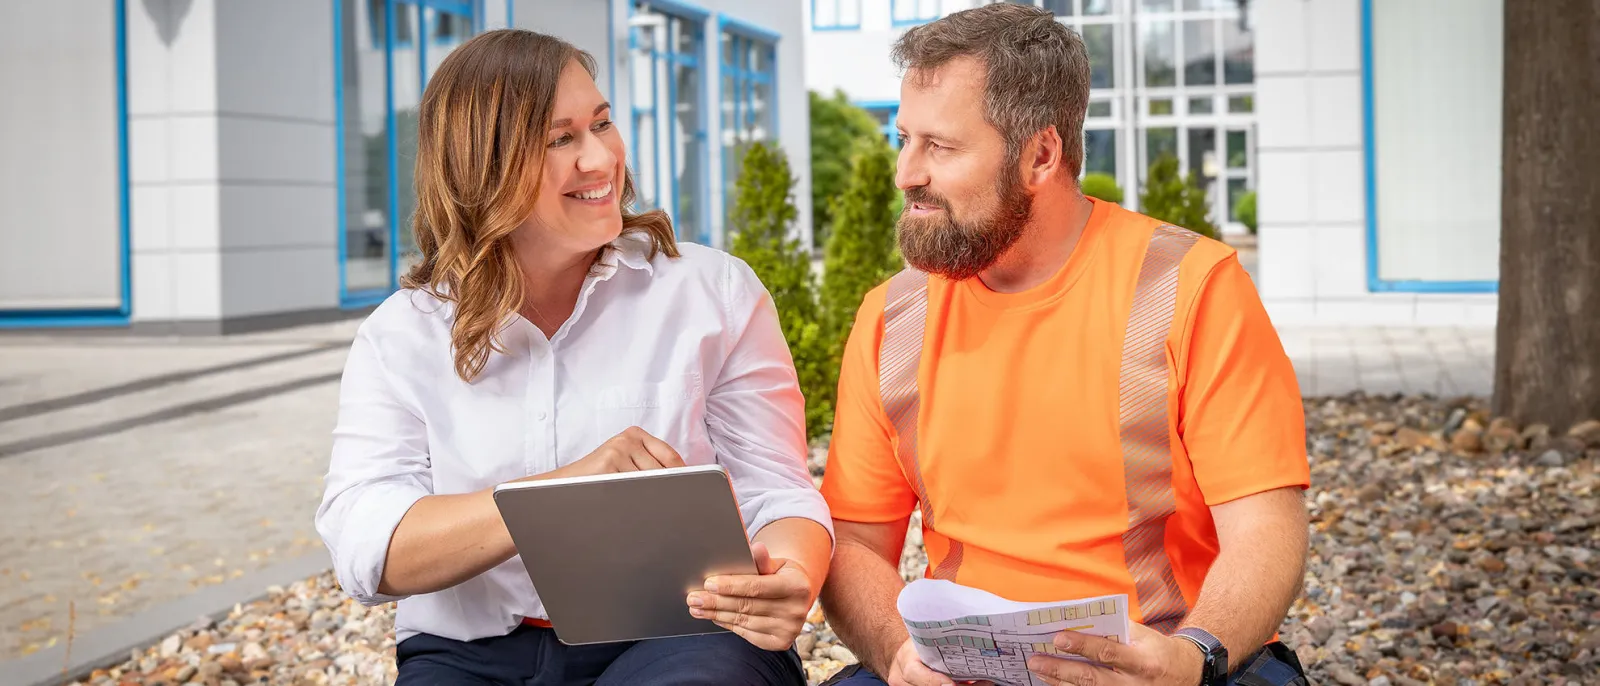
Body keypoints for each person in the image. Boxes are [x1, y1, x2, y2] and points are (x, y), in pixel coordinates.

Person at [313, 29, 832, 686]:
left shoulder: (713, 293)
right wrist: (564, 492)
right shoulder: (403, 336)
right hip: (471, 654)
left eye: (603, 123)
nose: (601, 158)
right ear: (482, 166)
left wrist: (792, 575)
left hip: (683, 636)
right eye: (562, 139)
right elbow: (368, 549)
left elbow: (776, 491)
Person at [815, 5, 1311, 686]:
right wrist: (897, 652)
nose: (906, 172)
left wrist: (1196, 654)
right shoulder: (891, 318)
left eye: (941, 146)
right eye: (904, 139)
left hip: (1159, 655)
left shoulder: (1193, 288)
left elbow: (1267, 529)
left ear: (1040, 155)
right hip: (962, 668)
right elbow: (855, 544)